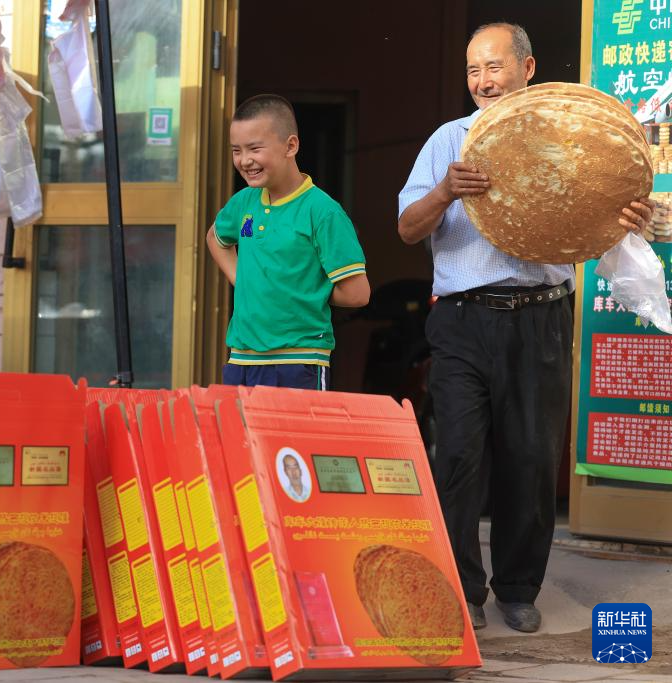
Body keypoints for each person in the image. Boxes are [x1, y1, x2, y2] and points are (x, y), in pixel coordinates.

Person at [398, 23, 653, 633]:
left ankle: (518, 588)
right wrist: (445, 190)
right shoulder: (449, 140)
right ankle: (463, 589)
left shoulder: (572, 136)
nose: (483, 82)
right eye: (473, 71)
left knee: (532, 458)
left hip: (541, 317)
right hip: (462, 319)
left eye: (494, 67)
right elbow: (407, 228)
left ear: (528, 68)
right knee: (457, 456)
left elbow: (600, 221)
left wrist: (628, 215)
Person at [207, 94, 370, 390]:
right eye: (236, 150)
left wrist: (302, 290)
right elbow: (215, 239)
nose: (244, 160)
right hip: (241, 357)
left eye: (255, 148)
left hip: (299, 359)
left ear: (290, 146)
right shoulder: (243, 201)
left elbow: (357, 294)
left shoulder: (323, 211)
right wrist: (243, 280)